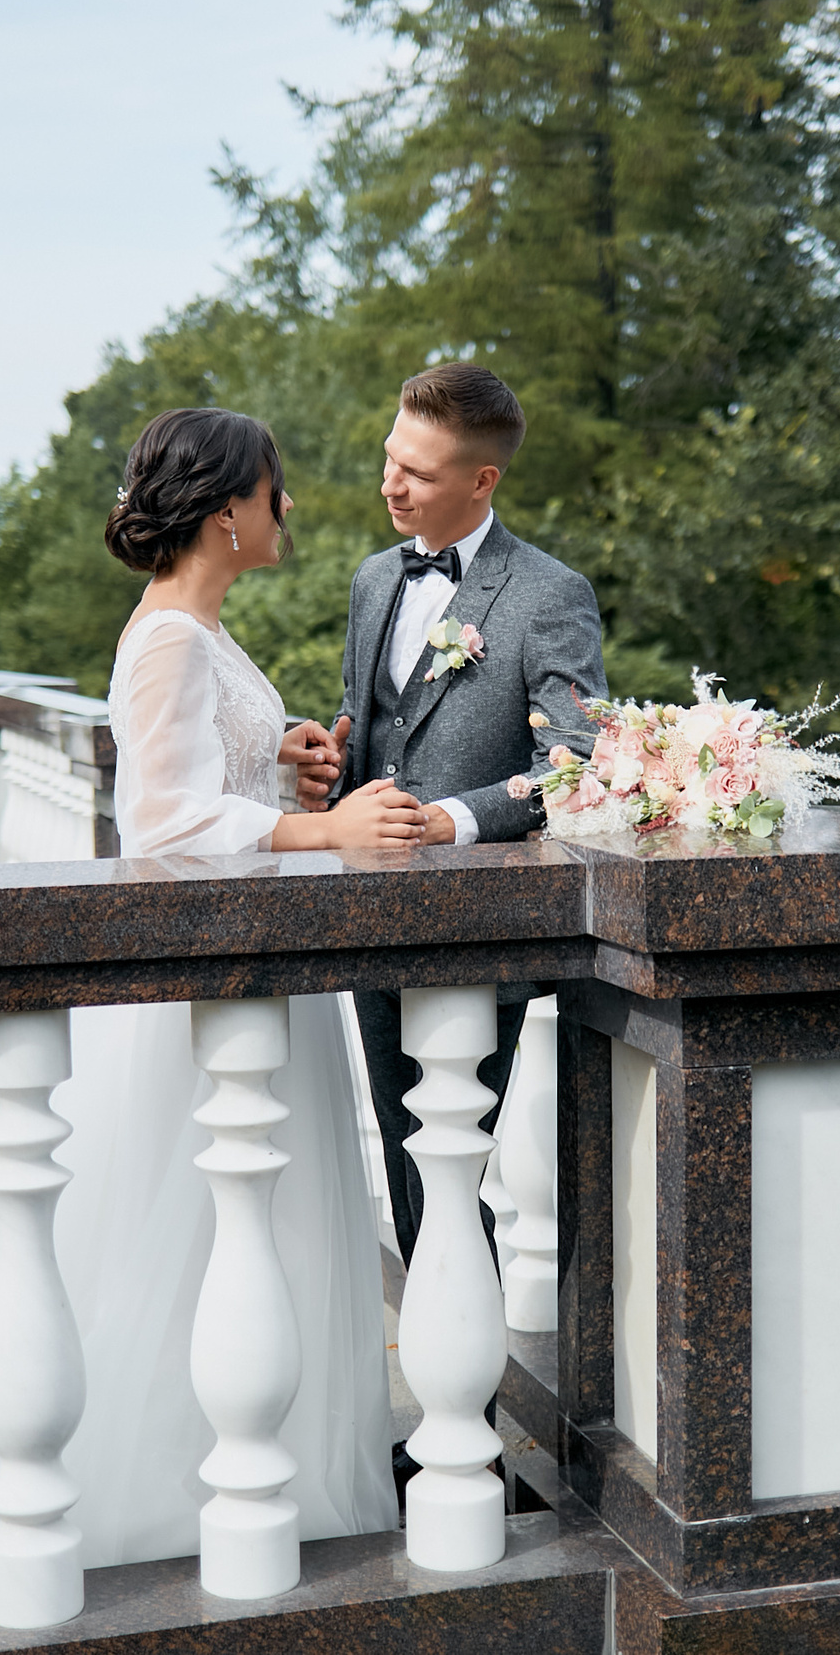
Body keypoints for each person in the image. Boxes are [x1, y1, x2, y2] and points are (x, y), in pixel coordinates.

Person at [0, 409, 418, 1591]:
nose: (288, 509)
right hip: (193, 999)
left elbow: (204, 780)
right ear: (227, 510)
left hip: (253, 969)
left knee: (249, 1240)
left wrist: (284, 762)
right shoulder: (167, 638)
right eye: (276, 490)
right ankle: (162, 1496)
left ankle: (267, 1480)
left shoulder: (201, 631)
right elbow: (162, 823)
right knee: (180, 1246)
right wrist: (322, 827)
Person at [306, 364, 608, 1265]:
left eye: (421, 472)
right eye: (391, 457)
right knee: (407, 1162)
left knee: (451, 1164)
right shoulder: (372, 580)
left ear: (484, 481)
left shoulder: (549, 593)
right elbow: (371, 736)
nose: (392, 483)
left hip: (480, 927)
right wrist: (327, 762)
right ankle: (461, 1386)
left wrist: (450, 821)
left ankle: (469, 1398)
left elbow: (579, 761)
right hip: (366, 912)